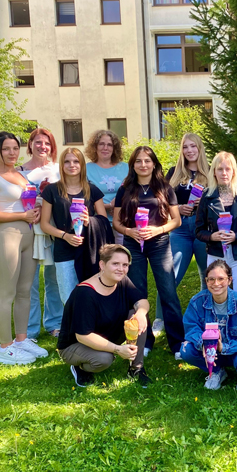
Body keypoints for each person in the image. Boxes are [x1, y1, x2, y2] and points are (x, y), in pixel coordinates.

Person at [0, 132, 49, 364]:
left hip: (28, 236)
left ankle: (21, 340)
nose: (12, 153)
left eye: (15, 148)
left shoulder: (21, 175)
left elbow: (28, 201)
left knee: (25, 291)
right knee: (6, 293)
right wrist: (23, 214)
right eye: (6, 148)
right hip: (6, 237)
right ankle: (5, 347)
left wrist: (37, 211)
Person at [113, 146, 184, 359]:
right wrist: (128, 231)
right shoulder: (125, 188)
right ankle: (144, 340)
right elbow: (116, 222)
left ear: (154, 164)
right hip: (133, 245)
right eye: (138, 161)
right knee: (137, 293)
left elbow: (176, 220)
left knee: (168, 292)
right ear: (133, 165)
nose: (143, 165)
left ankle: (178, 343)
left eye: (147, 161)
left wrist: (158, 230)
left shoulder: (164, 187)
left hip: (160, 244)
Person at [57, 244, 151, 387]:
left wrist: (141, 313)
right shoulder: (85, 293)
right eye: (115, 264)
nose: (121, 269)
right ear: (102, 264)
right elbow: (82, 336)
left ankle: (136, 369)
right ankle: (80, 367)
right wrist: (117, 349)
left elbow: (142, 301)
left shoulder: (122, 280)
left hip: (106, 333)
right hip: (75, 344)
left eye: (125, 265)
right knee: (104, 359)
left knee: (137, 315)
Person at [154, 133, 211, 334]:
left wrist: (202, 204)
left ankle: (207, 317)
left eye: (193, 146)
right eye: (185, 147)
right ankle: (161, 319)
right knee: (171, 275)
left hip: (203, 230)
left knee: (208, 276)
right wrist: (178, 209)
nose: (189, 150)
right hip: (180, 230)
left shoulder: (211, 173)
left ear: (199, 148)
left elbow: (218, 203)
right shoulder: (173, 173)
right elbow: (163, 203)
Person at [181, 259, 237, 391]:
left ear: (229, 280)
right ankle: (217, 371)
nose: (216, 283)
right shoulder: (197, 302)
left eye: (221, 279)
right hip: (210, 351)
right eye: (211, 279)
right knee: (186, 350)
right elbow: (191, 328)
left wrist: (223, 346)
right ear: (206, 281)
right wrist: (204, 344)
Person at [40, 147, 107, 302]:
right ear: (62, 166)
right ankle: (72, 327)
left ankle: (91, 326)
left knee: (91, 295)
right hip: (64, 250)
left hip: (89, 250)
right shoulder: (52, 190)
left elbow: (103, 220)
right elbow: (45, 224)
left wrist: (89, 220)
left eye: (76, 161)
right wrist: (65, 236)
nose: (72, 165)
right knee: (69, 298)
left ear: (82, 165)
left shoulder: (92, 189)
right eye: (67, 161)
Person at [195, 152, 237, 297]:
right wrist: (212, 236)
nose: (224, 173)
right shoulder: (207, 197)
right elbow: (198, 230)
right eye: (220, 169)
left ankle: (236, 321)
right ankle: (219, 320)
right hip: (216, 254)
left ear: (234, 172)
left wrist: (236, 236)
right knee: (217, 296)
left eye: (228, 169)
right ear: (214, 172)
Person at [20, 127, 63, 339]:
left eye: (46, 143)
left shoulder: (59, 170)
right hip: (28, 228)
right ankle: (30, 328)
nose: (42, 146)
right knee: (29, 280)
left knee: (53, 277)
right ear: (30, 145)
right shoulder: (19, 171)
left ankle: (55, 322)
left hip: (53, 226)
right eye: (38, 142)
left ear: (52, 147)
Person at [85, 129, 129, 245]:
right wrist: (108, 206)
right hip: (97, 223)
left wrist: (120, 204)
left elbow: (134, 193)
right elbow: (84, 199)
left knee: (122, 259)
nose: (106, 148)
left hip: (123, 222)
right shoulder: (86, 169)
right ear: (95, 147)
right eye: (101, 144)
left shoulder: (126, 168)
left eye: (109, 145)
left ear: (114, 148)